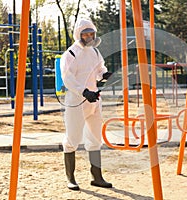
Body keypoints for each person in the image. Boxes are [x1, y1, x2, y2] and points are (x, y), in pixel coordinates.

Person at [60, 18, 112, 191]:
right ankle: (71, 178)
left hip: (94, 101)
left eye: (91, 33)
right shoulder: (70, 54)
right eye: (85, 33)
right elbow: (68, 78)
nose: (89, 36)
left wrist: (105, 75)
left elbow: (99, 70)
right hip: (77, 101)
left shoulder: (95, 52)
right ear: (78, 34)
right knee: (73, 139)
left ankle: (97, 177)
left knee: (96, 138)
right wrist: (84, 92)